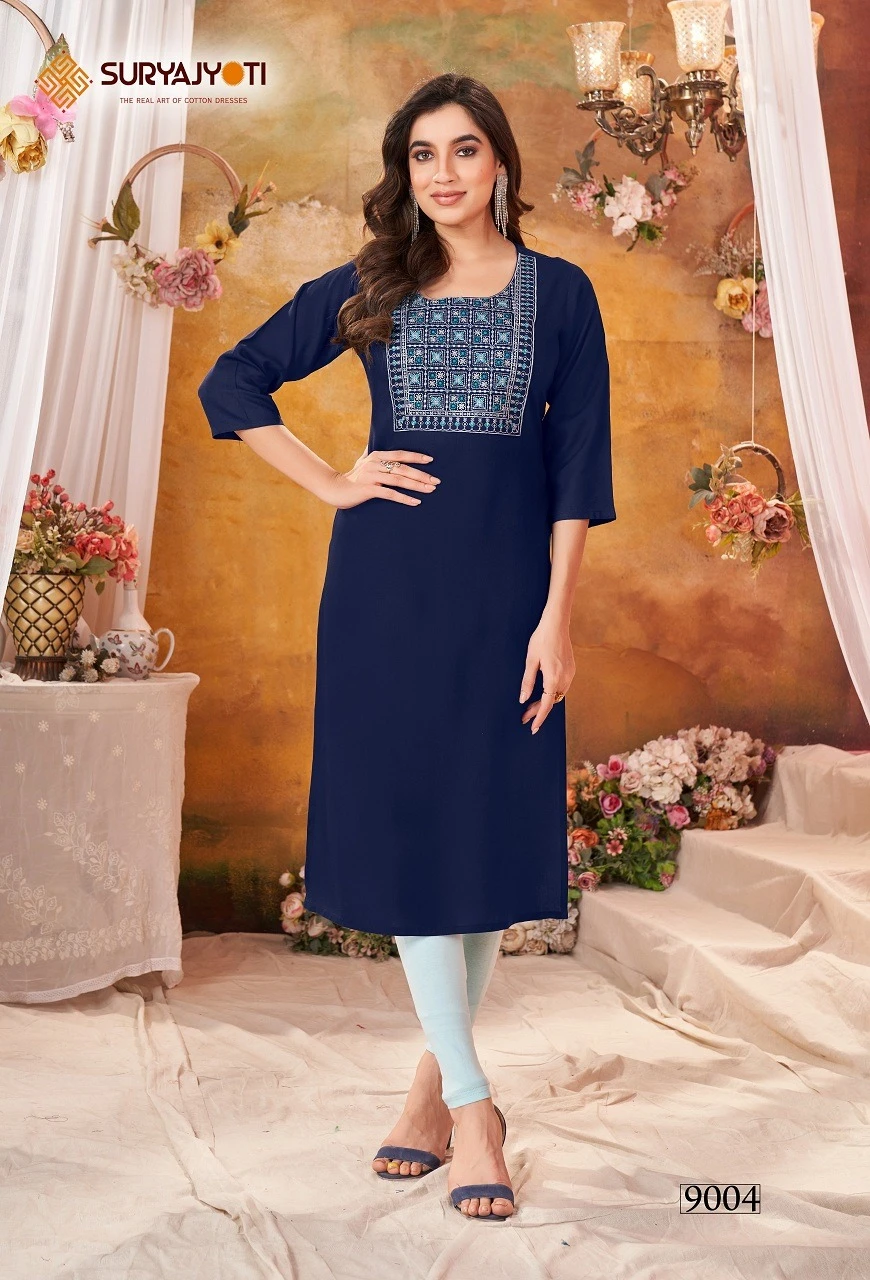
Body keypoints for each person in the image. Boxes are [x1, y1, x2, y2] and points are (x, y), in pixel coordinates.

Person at [198, 72, 616, 1222]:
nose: (443, 172)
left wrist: (557, 614)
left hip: (509, 598)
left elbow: (578, 467)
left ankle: (431, 1087)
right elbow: (233, 379)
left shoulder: (562, 294)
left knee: (475, 832)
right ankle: (477, 1108)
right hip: (386, 598)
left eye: (464, 149)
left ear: (500, 164)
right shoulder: (374, 284)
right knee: (418, 826)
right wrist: (332, 480)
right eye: (423, 154)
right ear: (405, 171)